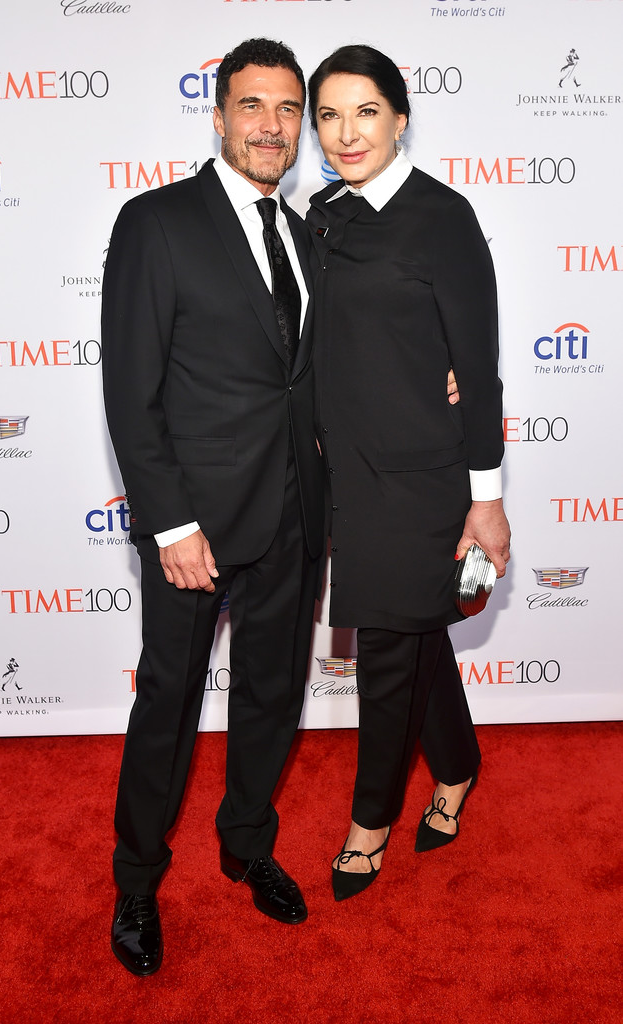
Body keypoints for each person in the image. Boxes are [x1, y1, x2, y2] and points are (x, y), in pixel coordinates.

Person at [101, 38, 326, 975]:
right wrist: (171, 522)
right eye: (252, 106)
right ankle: (137, 881)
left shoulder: (308, 233)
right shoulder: (156, 222)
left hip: (295, 514)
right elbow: (131, 391)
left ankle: (247, 844)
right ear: (220, 114)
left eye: (287, 109)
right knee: (170, 700)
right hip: (195, 523)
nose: (271, 126)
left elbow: (313, 375)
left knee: (274, 692)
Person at [306, 45, 511, 901]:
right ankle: (456, 767)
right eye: (328, 115)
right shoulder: (322, 214)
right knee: (418, 631)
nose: (346, 133)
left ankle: (369, 823)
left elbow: (480, 370)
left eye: (365, 112)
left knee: (390, 651)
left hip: (421, 479)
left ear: (399, 118)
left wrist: (486, 502)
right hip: (347, 474)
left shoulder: (444, 217)